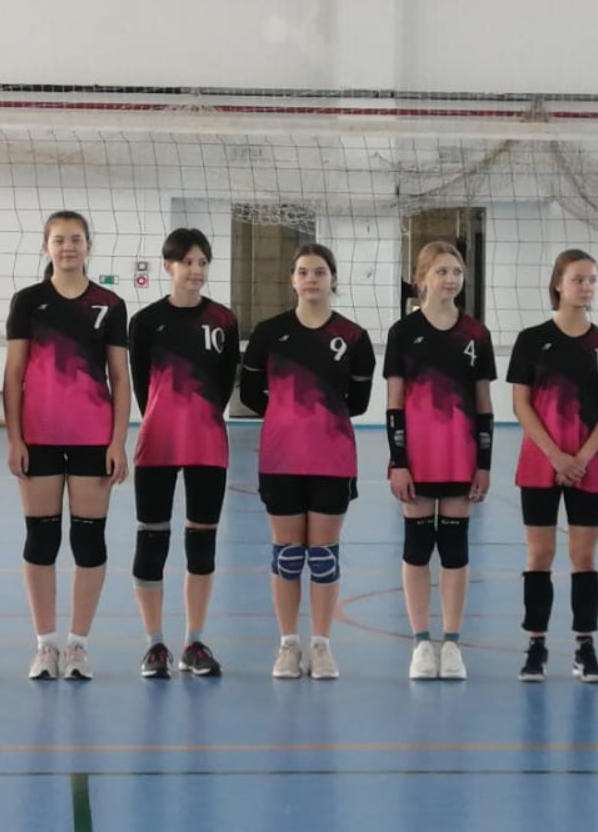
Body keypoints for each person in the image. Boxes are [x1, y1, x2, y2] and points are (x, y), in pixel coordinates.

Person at [5, 211, 130, 681]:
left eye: (76, 239)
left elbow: (120, 377)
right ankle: (45, 645)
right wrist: (14, 437)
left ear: (88, 246)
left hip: (92, 438)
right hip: (37, 437)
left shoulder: (109, 304)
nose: (68, 247)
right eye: (59, 240)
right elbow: (13, 375)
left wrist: (118, 441)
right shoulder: (28, 301)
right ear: (46, 248)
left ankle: (78, 644)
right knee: (41, 540)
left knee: (88, 541)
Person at [240, 243, 374, 680]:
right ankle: (287, 645)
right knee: (286, 554)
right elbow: (249, 393)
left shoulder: (353, 337)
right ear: (292, 280)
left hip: (333, 456)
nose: (311, 278)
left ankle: (320, 645)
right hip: (281, 457)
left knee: (323, 556)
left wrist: (318, 419)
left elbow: (358, 401)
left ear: (332, 279)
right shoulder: (269, 333)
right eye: (303, 271)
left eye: (319, 271)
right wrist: (288, 416)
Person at [506, 249, 598, 683]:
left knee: (583, 555)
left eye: (591, 280)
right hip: (540, 463)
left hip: (588, 465)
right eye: (578, 279)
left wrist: (582, 457)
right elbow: (521, 404)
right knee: (540, 553)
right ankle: (535, 645)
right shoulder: (532, 340)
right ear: (558, 284)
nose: (586, 287)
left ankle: (584, 647)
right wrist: (556, 455)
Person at [127, 228, 238, 677]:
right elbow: (140, 384)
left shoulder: (224, 321)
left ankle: (194, 641)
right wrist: (164, 417)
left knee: (201, 544)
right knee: (151, 541)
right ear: (168, 265)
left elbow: (226, 380)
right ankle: (154, 644)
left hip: (208, 442)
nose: (196, 270)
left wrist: (200, 417)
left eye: (202, 262)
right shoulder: (145, 321)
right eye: (187, 261)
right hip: (158, 441)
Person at [385, 241, 496, 681]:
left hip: (460, 456)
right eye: (442, 271)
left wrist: (484, 464)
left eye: (457, 272)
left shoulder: (476, 335)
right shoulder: (403, 332)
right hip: (417, 457)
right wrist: (398, 462)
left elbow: (484, 404)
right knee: (416, 549)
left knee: (454, 550)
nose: (451, 279)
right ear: (422, 278)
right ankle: (420, 643)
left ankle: (451, 644)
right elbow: (394, 403)